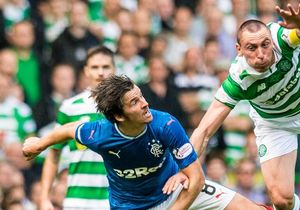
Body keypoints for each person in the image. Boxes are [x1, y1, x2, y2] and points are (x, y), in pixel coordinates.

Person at [22, 75, 271, 210]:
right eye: (134, 102)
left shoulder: (165, 125)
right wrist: (40, 144)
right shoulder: (100, 133)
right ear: (118, 116)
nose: (145, 104)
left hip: (174, 192)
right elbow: (67, 130)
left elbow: (196, 179)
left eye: (141, 96)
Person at [189, 3, 300, 210]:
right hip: (275, 123)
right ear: (239, 50)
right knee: (282, 200)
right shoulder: (239, 78)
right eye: (252, 48)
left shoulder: (280, 37)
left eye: (265, 45)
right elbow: (204, 130)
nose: (261, 54)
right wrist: (182, 169)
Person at [39, 46, 116, 210]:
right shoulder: (70, 107)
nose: (100, 73)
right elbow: (54, 153)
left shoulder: (126, 108)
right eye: (95, 67)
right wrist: (44, 197)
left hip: (115, 202)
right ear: (86, 71)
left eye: (106, 67)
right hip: (77, 201)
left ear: (114, 69)